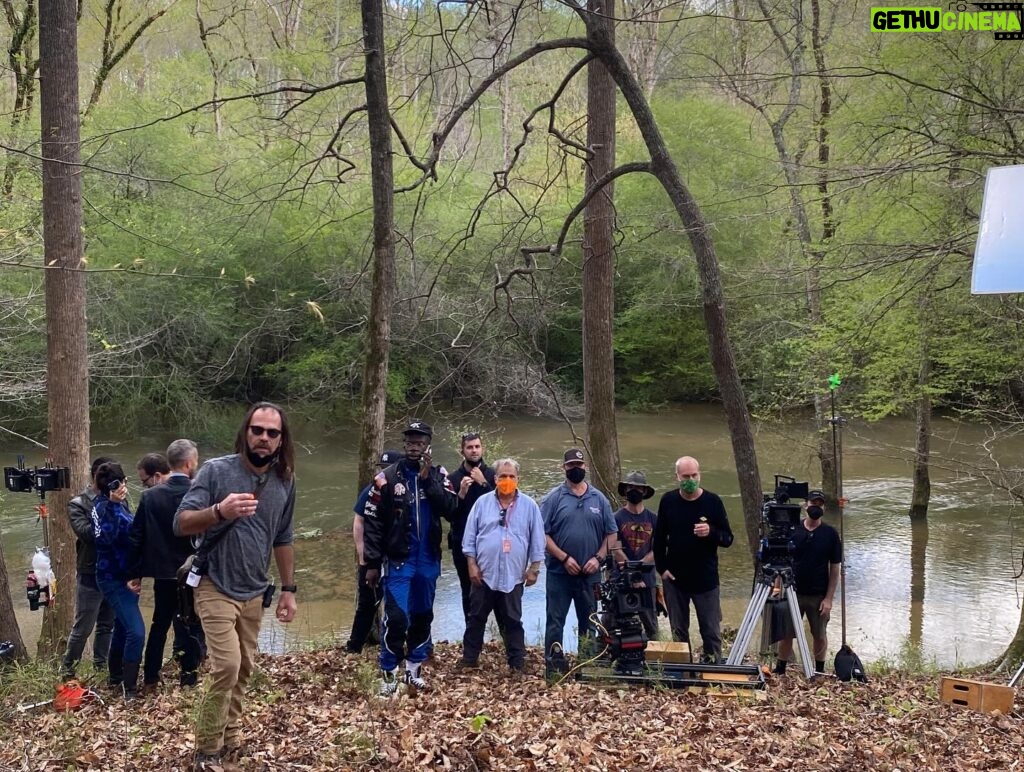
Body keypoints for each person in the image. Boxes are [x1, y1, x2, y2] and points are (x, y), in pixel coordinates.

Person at [173, 402, 297, 771]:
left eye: (272, 433)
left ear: (280, 440)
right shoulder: (215, 471)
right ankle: (207, 744)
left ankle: (232, 733)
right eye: (257, 430)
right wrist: (218, 512)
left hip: (255, 589)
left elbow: (284, 537)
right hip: (214, 583)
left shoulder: (285, 480)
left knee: (244, 668)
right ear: (246, 432)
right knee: (227, 665)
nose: (263, 437)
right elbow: (180, 523)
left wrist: (289, 589)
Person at [363, 420, 457, 695]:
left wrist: (429, 481)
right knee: (397, 617)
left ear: (428, 444)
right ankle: (389, 675)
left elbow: (452, 509)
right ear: (404, 444)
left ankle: (414, 669)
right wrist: (370, 563)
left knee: (422, 615)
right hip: (399, 560)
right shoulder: (388, 477)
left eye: (420, 442)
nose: (414, 447)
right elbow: (372, 522)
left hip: (428, 558)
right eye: (410, 442)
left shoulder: (439, 474)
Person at [129, 439, 205, 689]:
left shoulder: (150, 496)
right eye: (196, 460)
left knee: (159, 624)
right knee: (191, 622)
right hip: (193, 571)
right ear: (189, 462)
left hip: (163, 573)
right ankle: (189, 678)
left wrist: (135, 573)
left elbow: (136, 535)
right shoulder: (199, 492)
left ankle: (151, 676)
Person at [459, 458, 545, 674]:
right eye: (503, 476)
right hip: (483, 573)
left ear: (518, 479)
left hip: (514, 576)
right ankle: (469, 660)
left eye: (511, 476)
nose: (507, 480)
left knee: (513, 620)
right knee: (476, 618)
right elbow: (469, 537)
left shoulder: (529, 506)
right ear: (495, 479)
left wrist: (534, 569)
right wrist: (471, 564)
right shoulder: (482, 503)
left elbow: (537, 540)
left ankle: (517, 663)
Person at [541, 447, 617, 673]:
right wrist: (564, 558)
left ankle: (586, 665)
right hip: (559, 573)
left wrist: (599, 557)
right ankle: (554, 666)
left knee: (590, 622)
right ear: (564, 468)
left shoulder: (599, 499)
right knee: (555, 621)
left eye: (579, 465)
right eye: (571, 465)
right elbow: (542, 534)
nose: (576, 469)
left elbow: (611, 533)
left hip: (590, 573)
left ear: (586, 467)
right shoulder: (553, 499)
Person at [653, 456, 734, 664]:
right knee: (678, 631)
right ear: (677, 477)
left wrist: (711, 532)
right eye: (686, 476)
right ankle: (684, 671)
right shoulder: (668, 501)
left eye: (694, 475)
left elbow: (728, 539)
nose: (690, 479)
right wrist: (662, 569)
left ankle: (713, 671)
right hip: (675, 580)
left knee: (711, 631)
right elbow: (659, 539)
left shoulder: (712, 501)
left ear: (700, 475)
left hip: (705, 580)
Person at [91, 461, 145, 699]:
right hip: (115, 578)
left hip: (124, 575)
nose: (122, 486)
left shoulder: (114, 504)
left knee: (122, 627)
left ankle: (115, 676)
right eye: (116, 483)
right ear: (105, 488)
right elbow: (111, 543)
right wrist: (131, 577)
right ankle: (129, 688)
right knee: (137, 631)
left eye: (122, 481)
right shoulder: (105, 510)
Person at [774, 489, 842, 675]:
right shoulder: (792, 529)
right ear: (805, 505)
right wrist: (777, 589)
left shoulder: (830, 534)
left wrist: (829, 598)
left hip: (818, 594)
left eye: (820, 504)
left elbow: (835, 568)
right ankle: (780, 669)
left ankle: (818, 670)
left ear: (824, 508)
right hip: (791, 591)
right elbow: (781, 562)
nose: (816, 507)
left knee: (819, 634)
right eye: (813, 504)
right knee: (787, 633)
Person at [61, 456, 117, 679]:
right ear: (96, 476)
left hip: (113, 572)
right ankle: (67, 672)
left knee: (107, 626)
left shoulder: (118, 498)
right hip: (90, 573)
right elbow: (88, 534)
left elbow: (127, 527)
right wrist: (108, 507)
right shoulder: (78, 503)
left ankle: (100, 669)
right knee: (83, 628)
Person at [344, 448, 402, 654]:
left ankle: (397, 646)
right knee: (367, 604)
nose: (383, 472)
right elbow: (359, 521)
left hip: (398, 557)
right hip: (372, 558)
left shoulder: (405, 490)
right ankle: (354, 646)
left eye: (388, 468)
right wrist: (362, 555)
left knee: (399, 604)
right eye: (382, 467)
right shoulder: (371, 490)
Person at [446, 432, 496, 623]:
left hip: (491, 544)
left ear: (482, 449)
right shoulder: (452, 479)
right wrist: (461, 494)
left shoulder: (492, 475)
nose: (474, 451)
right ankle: (472, 636)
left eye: (477, 446)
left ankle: (501, 635)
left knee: (496, 592)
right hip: (462, 545)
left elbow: (503, 508)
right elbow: (449, 514)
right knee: (468, 591)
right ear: (462, 451)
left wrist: (483, 483)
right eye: (470, 447)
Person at [612, 471, 660, 639]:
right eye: (631, 487)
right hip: (620, 578)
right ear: (625, 490)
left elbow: (657, 549)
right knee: (612, 624)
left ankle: (655, 661)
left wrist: (639, 572)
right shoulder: (616, 518)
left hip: (647, 582)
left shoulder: (654, 518)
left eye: (639, 488)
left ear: (645, 492)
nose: (634, 491)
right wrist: (632, 575)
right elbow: (616, 549)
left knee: (651, 627)